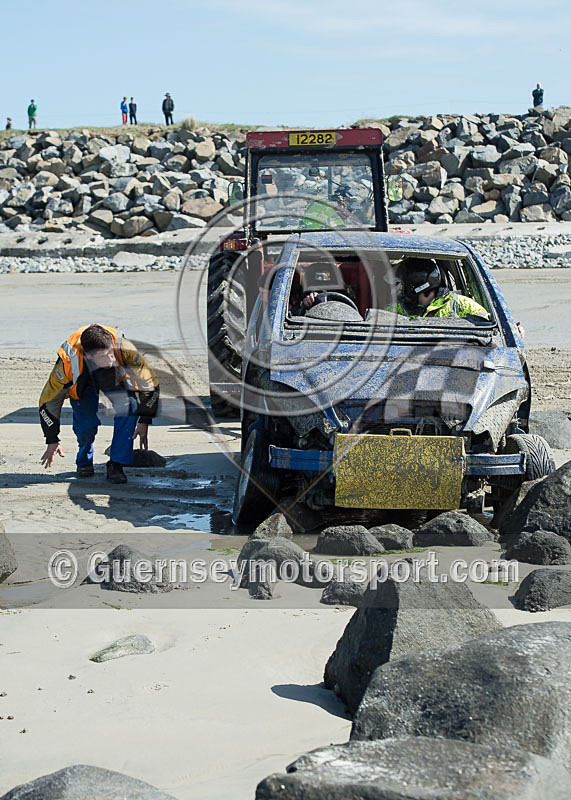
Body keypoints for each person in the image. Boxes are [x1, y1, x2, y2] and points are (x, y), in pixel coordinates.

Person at [39, 324, 160, 484]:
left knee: (129, 407)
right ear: (89, 356)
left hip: (114, 377)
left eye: (111, 353)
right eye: (104, 356)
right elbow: (49, 401)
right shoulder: (68, 361)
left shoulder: (124, 350)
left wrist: (144, 420)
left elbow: (150, 382)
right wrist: (52, 439)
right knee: (86, 425)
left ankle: (116, 464)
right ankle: (84, 460)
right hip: (83, 380)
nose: (111, 358)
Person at [391, 258, 490, 320]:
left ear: (418, 286)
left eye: (404, 285)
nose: (401, 289)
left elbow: (489, 331)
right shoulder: (396, 309)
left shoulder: (462, 305)